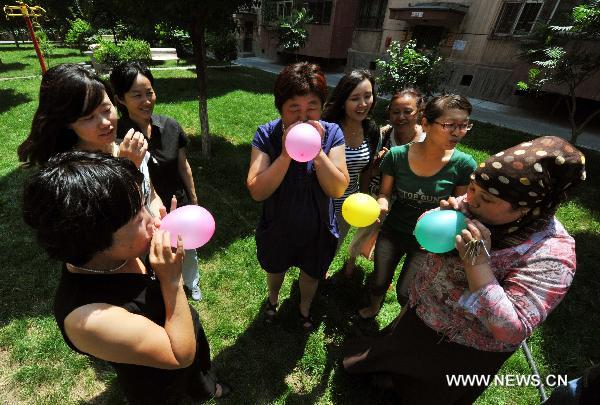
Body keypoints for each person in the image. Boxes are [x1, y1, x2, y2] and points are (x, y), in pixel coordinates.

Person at [343, 136, 586, 404]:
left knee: (429, 392)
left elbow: (511, 328)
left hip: (463, 350)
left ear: (528, 209)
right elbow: (425, 232)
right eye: (471, 188)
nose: (471, 200)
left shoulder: (553, 255)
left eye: (486, 199)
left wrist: (477, 263)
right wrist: (436, 217)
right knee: (399, 358)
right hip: (422, 313)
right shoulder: (472, 206)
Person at [22, 151, 230, 404]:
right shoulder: (84, 319)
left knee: (198, 374)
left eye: (143, 206)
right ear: (96, 240)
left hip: (185, 335)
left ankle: (208, 388)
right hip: (160, 385)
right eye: (138, 217)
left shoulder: (118, 250)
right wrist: (172, 281)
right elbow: (179, 355)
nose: (153, 220)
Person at [246, 62, 349, 331]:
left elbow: (338, 188)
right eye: (294, 109)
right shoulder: (266, 134)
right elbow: (257, 190)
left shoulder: (333, 133)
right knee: (275, 268)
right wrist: (284, 154)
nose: (303, 117)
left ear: (322, 106)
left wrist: (318, 153)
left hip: (317, 227)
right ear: (281, 108)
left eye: (311, 107)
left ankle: (304, 307)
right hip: (278, 224)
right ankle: (273, 299)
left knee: (312, 273)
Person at [358, 94, 477, 318]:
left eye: (464, 125)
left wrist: (454, 210)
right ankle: (374, 307)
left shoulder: (463, 164)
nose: (457, 132)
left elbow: (461, 209)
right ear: (425, 124)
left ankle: (401, 322)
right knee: (380, 279)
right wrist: (380, 205)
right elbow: (385, 193)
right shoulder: (396, 156)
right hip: (393, 231)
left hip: (427, 242)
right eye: (450, 125)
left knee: (406, 291)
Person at [17, 63, 162, 215]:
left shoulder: (131, 150)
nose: (105, 123)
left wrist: (162, 223)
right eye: (88, 117)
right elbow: (111, 224)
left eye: (106, 109)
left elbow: (151, 196)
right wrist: (126, 168)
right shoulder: (73, 178)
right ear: (67, 123)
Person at [110, 61, 202, 301]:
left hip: (176, 203)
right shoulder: (119, 137)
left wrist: (193, 197)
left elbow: (183, 165)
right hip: (143, 212)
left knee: (187, 250)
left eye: (149, 93)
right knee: (151, 255)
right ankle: (160, 289)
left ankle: (191, 283)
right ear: (121, 99)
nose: (146, 101)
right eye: (136, 95)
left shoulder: (170, 126)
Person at [344, 88, 426, 278]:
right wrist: (376, 168)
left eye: (408, 111)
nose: (401, 117)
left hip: (405, 199)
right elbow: (367, 170)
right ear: (389, 113)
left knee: (389, 238)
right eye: (395, 112)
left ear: (419, 112)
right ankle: (351, 261)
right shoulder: (383, 134)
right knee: (364, 229)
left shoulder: (424, 141)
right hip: (376, 192)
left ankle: (380, 272)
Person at [322, 70, 379, 253]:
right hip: (321, 202)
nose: (363, 104)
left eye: (367, 96)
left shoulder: (371, 129)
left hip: (348, 206)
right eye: (355, 98)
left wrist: (364, 199)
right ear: (343, 100)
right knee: (313, 249)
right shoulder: (328, 126)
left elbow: (366, 170)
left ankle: (320, 276)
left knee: (333, 247)